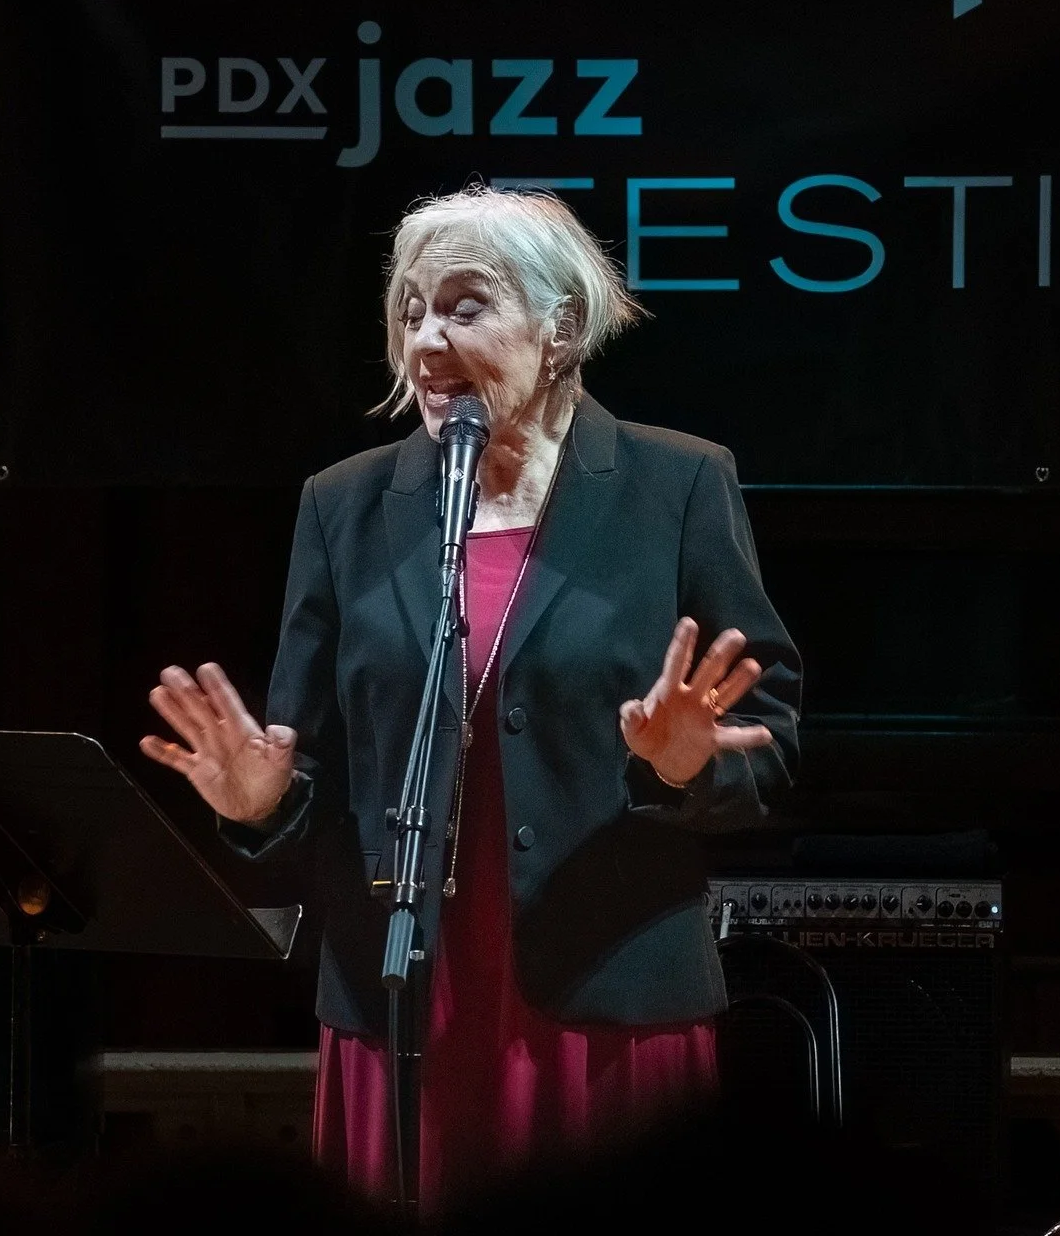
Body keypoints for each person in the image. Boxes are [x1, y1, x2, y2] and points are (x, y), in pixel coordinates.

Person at [138, 186, 802, 1213]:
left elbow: (771, 743)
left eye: (464, 306)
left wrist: (687, 765)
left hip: (606, 1005)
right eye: (409, 311)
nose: (426, 339)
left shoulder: (675, 487)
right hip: (405, 998)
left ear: (562, 326)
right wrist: (259, 803)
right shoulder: (346, 503)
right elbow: (300, 764)